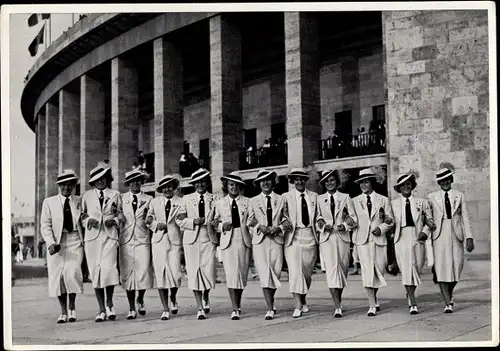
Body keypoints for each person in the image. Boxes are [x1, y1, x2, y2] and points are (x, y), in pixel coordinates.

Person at [427, 164, 475, 313]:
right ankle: (448, 302)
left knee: (456, 267)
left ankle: (450, 293)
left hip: (456, 234)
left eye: (447, 179)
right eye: (442, 181)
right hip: (439, 235)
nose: (445, 182)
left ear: (451, 179)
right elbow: (427, 216)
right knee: (442, 268)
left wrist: (469, 237)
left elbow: (465, 218)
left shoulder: (459, 195)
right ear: (438, 183)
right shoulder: (432, 197)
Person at [40, 169, 85, 323]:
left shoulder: (80, 200)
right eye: (63, 185)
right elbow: (45, 225)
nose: (67, 188)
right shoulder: (49, 202)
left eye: (70, 185)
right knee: (57, 276)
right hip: (56, 242)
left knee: (72, 273)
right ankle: (63, 312)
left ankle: (72, 307)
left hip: (75, 240)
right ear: (59, 186)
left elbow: (85, 218)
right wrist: (51, 242)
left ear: (74, 186)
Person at [81, 163, 123, 322]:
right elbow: (82, 216)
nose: (101, 181)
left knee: (109, 269)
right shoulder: (86, 196)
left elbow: (120, 214)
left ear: (108, 179)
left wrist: (114, 221)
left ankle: (110, 303)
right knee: (96, 273)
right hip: (92, 239)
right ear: (93, 181)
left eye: (103, 178)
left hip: (110, 237)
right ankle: (101, 309)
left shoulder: (115, 194)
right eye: (97, 179)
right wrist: (88, 221)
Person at [176, 168, 219, 320]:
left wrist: (215, 223)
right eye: (197, 182)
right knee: (194, 272)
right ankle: (199, 307)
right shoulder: (186, 199)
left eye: (203, 181)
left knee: (208, 272)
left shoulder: (215, 199)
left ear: (207, 182)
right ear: (194, 184)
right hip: (191, 240)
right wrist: (193, 221)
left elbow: (219, 218)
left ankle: (206, 294)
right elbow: (179, 220)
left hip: (208, 239)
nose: (200, 184)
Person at [246, 169, 289, 320]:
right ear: (258, 184)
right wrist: (260, 227)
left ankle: (271, 300)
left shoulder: (282, 199)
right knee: (264, 274)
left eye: (268, 180)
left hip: (276, 240)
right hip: (260, 241)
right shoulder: (253, 201)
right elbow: (249, 221)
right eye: (262, 181)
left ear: (273, 182)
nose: (265, 183)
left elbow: (287, 219)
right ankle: (270, 308)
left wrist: (279, 228)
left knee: (275, 272)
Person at [352, 168, 394, 317]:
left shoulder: (383, 200)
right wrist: (349, 222)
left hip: (379, 241)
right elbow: (352, 219)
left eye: (366, 182)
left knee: (379, 271)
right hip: (362, 241)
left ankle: (374, 297)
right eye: (361, 182)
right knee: (367, 271)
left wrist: (381, 228)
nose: (363, 185)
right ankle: (371, 304)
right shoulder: (354, 201)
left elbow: (390, 220)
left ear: (372, 182)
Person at [316, 169, 357, 318]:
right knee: (332, 272)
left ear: (337, 182)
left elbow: (353, 217)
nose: (329, 183)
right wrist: (322, 225)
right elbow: (317, 218)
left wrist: (345, 225)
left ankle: (338, 299)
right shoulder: (319, 199)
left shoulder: (345, 197)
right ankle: (337, 306)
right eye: (326, 181)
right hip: (327, 239)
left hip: (342, 238)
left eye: (332, 180)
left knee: (342, 270)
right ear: (323, 183)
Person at [211, 172, 252, 320]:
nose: (234, 187)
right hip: (228, 241)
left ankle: (238, 303)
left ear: (240, 187)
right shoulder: (219, 203)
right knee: (231, 274)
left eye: (236, 185)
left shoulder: (248, 202)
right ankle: (234, 308)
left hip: (243, 240)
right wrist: (222, 226)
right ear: (226, 186)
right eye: (231, 185)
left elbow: (251, 220)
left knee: (241, 275)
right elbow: (214, 223)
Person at [391, 171, 433, 314]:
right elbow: (389, 222)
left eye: (408, 184)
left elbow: (430, 221)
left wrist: (425, 232)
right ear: (399, 188)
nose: (406, 187)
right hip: (401, 237)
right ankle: (413, 302)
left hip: (417, 237)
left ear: (412, 185)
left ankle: (409, 293)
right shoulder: (393, 204)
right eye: (403, 185)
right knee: (406, 270)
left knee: (417, 268)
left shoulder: (422, 202)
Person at [282, 168, 319, 318]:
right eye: (296, 179)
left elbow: (318, 215)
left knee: (306, 273)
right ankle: (297, 305)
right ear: (292, 181)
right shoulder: (286, 196)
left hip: (310, 235)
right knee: (295, 271)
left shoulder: (314, 196)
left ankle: (303, 299)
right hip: (293, 236)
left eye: (302, 179)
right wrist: (285, 222)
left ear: (306, 180)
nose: (299, 181)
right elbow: (281, 214)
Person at [147, 174, 184, 320]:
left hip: (174, 240)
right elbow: (148, 220)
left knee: (175, 274)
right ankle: (165, 308)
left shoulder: (181, 202)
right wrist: (156, 225)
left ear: (174, 188)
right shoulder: (154, 202)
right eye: (164, 187)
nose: (167, 189)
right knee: (161, 274)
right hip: (159, 241)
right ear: (161, 189)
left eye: (170, 186)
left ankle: (173, 297)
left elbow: (183, 218)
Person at [119, 169, 153, 320]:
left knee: (143, 270)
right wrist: (118, 215)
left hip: (142, 239)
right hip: (126, 240)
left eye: (138, 180)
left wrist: (149, 220)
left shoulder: (149, 199)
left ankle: (141, 297)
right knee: (128, 274)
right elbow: (116, 213)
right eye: (132, 181)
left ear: (142, 182)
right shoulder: (121, 198)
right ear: (127, 184)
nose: (135, 183)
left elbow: (152, 216)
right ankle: (132, 307)